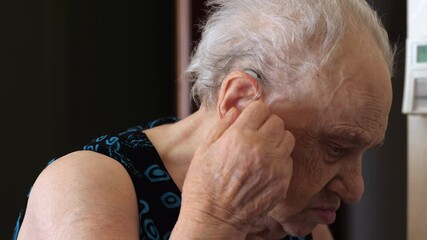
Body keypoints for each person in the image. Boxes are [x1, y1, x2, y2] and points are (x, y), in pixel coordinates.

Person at [14, 0, 394, 239]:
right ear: (242, 101)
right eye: (336, 147)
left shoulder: (295, 220)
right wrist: (216, 220)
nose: (356, 189)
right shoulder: (84, 186)